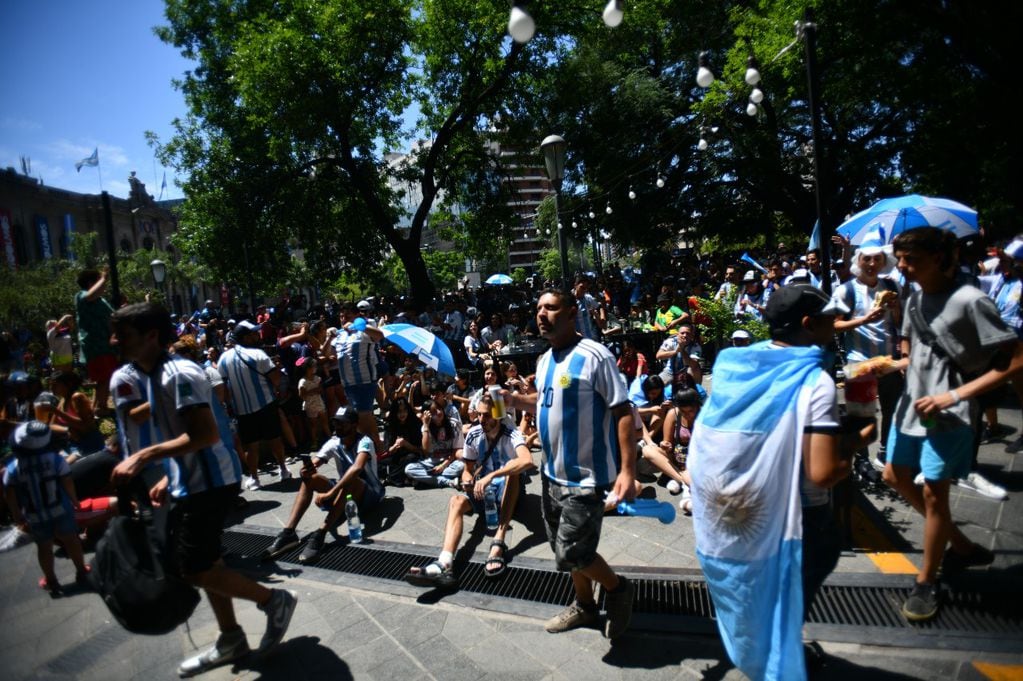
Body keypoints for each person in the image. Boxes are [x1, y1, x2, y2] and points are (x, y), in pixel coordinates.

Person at [688, 284, 869, 680]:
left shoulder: (736, 366)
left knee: (758, 593)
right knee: (790, 594)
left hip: (743, 507)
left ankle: (767, 650)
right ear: (809, 324)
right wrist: (859, 440)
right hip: (799, 517)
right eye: (829, 319)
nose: (836, 325)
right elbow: (821, 473)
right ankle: (780, 658)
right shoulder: (813, 380)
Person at [108, 302, 296, 675]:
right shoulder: (148, 375)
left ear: (151, 336)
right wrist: (167, 475)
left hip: (211, 483)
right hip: (187, 482)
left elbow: (205, 434)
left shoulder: (179, 374)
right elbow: (177, 435)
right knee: (207, 563)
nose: (114, 341)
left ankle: (273, 600)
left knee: (193, 569)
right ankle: (231, 637)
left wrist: (143, 457)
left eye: (122, 334)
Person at [882, 227, 1020, 622]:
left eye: (912, 260)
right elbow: (910, 350)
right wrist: (888, 365)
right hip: (911, 408)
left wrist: (955, 395)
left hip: (949, 414)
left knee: (933, 497)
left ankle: (926, 582)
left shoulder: (971, 300)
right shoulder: (913, 298)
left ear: (943, 258)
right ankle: (960, 544)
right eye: (901, 259)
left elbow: (1015, 359)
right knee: (894, 477)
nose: (903, 267)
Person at [506, 288, 636, 639]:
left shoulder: (596, 355)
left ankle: (618, 589)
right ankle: (585, 606)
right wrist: (517, 399)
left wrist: (627, 470)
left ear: (572, 312)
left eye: (550, 307)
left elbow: (623, 410)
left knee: (570, 551)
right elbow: (546, 400)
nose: (541, 314)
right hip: (551, 473)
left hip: (586, 477)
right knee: (564, 551)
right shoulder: (544, 360)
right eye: (538, 308)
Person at [404, 394, 534, 587]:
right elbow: (467, 470)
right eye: (480, 415)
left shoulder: (510, 433)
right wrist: (467, 481)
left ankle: (498, 542)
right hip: (483, 491)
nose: (482, 420)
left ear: (497, 415)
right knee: (456, 501)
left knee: (512, 472)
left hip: (508, 492)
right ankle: (445, 562)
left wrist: (492, 475)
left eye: (487, 415)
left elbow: (527, 461)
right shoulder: (474, 434)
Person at [263, 407, 385, 564]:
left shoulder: (365, 442)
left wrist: (331, 494)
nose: (337, 426)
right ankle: (288, 532)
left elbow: (357, 468)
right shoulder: (334, 442)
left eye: (342, 423)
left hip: (369, 495)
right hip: (345, 495)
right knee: (311, 479)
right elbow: (317, 461)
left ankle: (320, 534)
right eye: (335, 422)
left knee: (351, 479)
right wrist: (306, 470)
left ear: (354, 425)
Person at [831, 231, 903, 471]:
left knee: (892, 408)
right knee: (861, 413)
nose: (872, 264)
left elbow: (900, 322)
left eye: (877, 259)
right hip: (859, 360)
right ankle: (861, 460)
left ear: (884, 261)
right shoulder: (845, 290)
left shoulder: (892, 286)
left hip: (889, 360)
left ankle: (885, 450)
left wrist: (894, 310)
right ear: (858, 260)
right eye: (867, 259)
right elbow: (834, 324)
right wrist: (863, 320)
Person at [4, 420, 90, 594]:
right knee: (71, 540)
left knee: (44, 547)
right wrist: (74, 500)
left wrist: (15, 514)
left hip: (35, 514)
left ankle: (51, 580)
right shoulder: (56, 460)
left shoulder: (13, 468)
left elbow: (9, 492)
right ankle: (81, 570)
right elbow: (67, 482)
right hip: (60, 508)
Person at [217, 320, 290, 489]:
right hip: (266, 404)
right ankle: (283, 469)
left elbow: (224, 388)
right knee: (275, 439)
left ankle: (255, 478)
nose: (257, 336)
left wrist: (230, 405)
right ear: (246, 337)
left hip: (242, 410)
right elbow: (276, 379)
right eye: (253, 334)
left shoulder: (223, 359)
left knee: (251, 445)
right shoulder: (259, 355)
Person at [74, 267, 117, 414]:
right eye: (99, 282)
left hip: (105, 343)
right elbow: (90, 296)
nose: (104, 286)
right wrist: (104, 278)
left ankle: (96, 406)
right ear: (91, 282)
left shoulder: (100, 300)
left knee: (102, 378)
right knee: (105, 376)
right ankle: (101, 407)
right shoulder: (82, 296)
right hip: (95, 344)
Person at [404, 399, 465, 488]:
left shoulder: (454, 424)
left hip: (450, 461)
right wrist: (426, 425)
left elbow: (457, 450)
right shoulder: (425, 428)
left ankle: (427, 480)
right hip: (432, 462)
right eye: (433, 412)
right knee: (409, 469)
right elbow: (426, 451)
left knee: (462, 465)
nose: (439, 412)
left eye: (439, 409)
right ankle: (446, 481)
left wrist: (443, 466)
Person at [297, 357, 329, 449]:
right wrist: (314, 391)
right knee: (313, 425)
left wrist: (316, 391)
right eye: (314, 366)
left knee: (324, 421)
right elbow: (302, 395)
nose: (316, 368)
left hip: (319, 402)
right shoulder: (303, 382)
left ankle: (329, 437)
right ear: (308, 368)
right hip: (310, 405)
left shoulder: (317, 378)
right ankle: (314, 441)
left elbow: (321, 390)